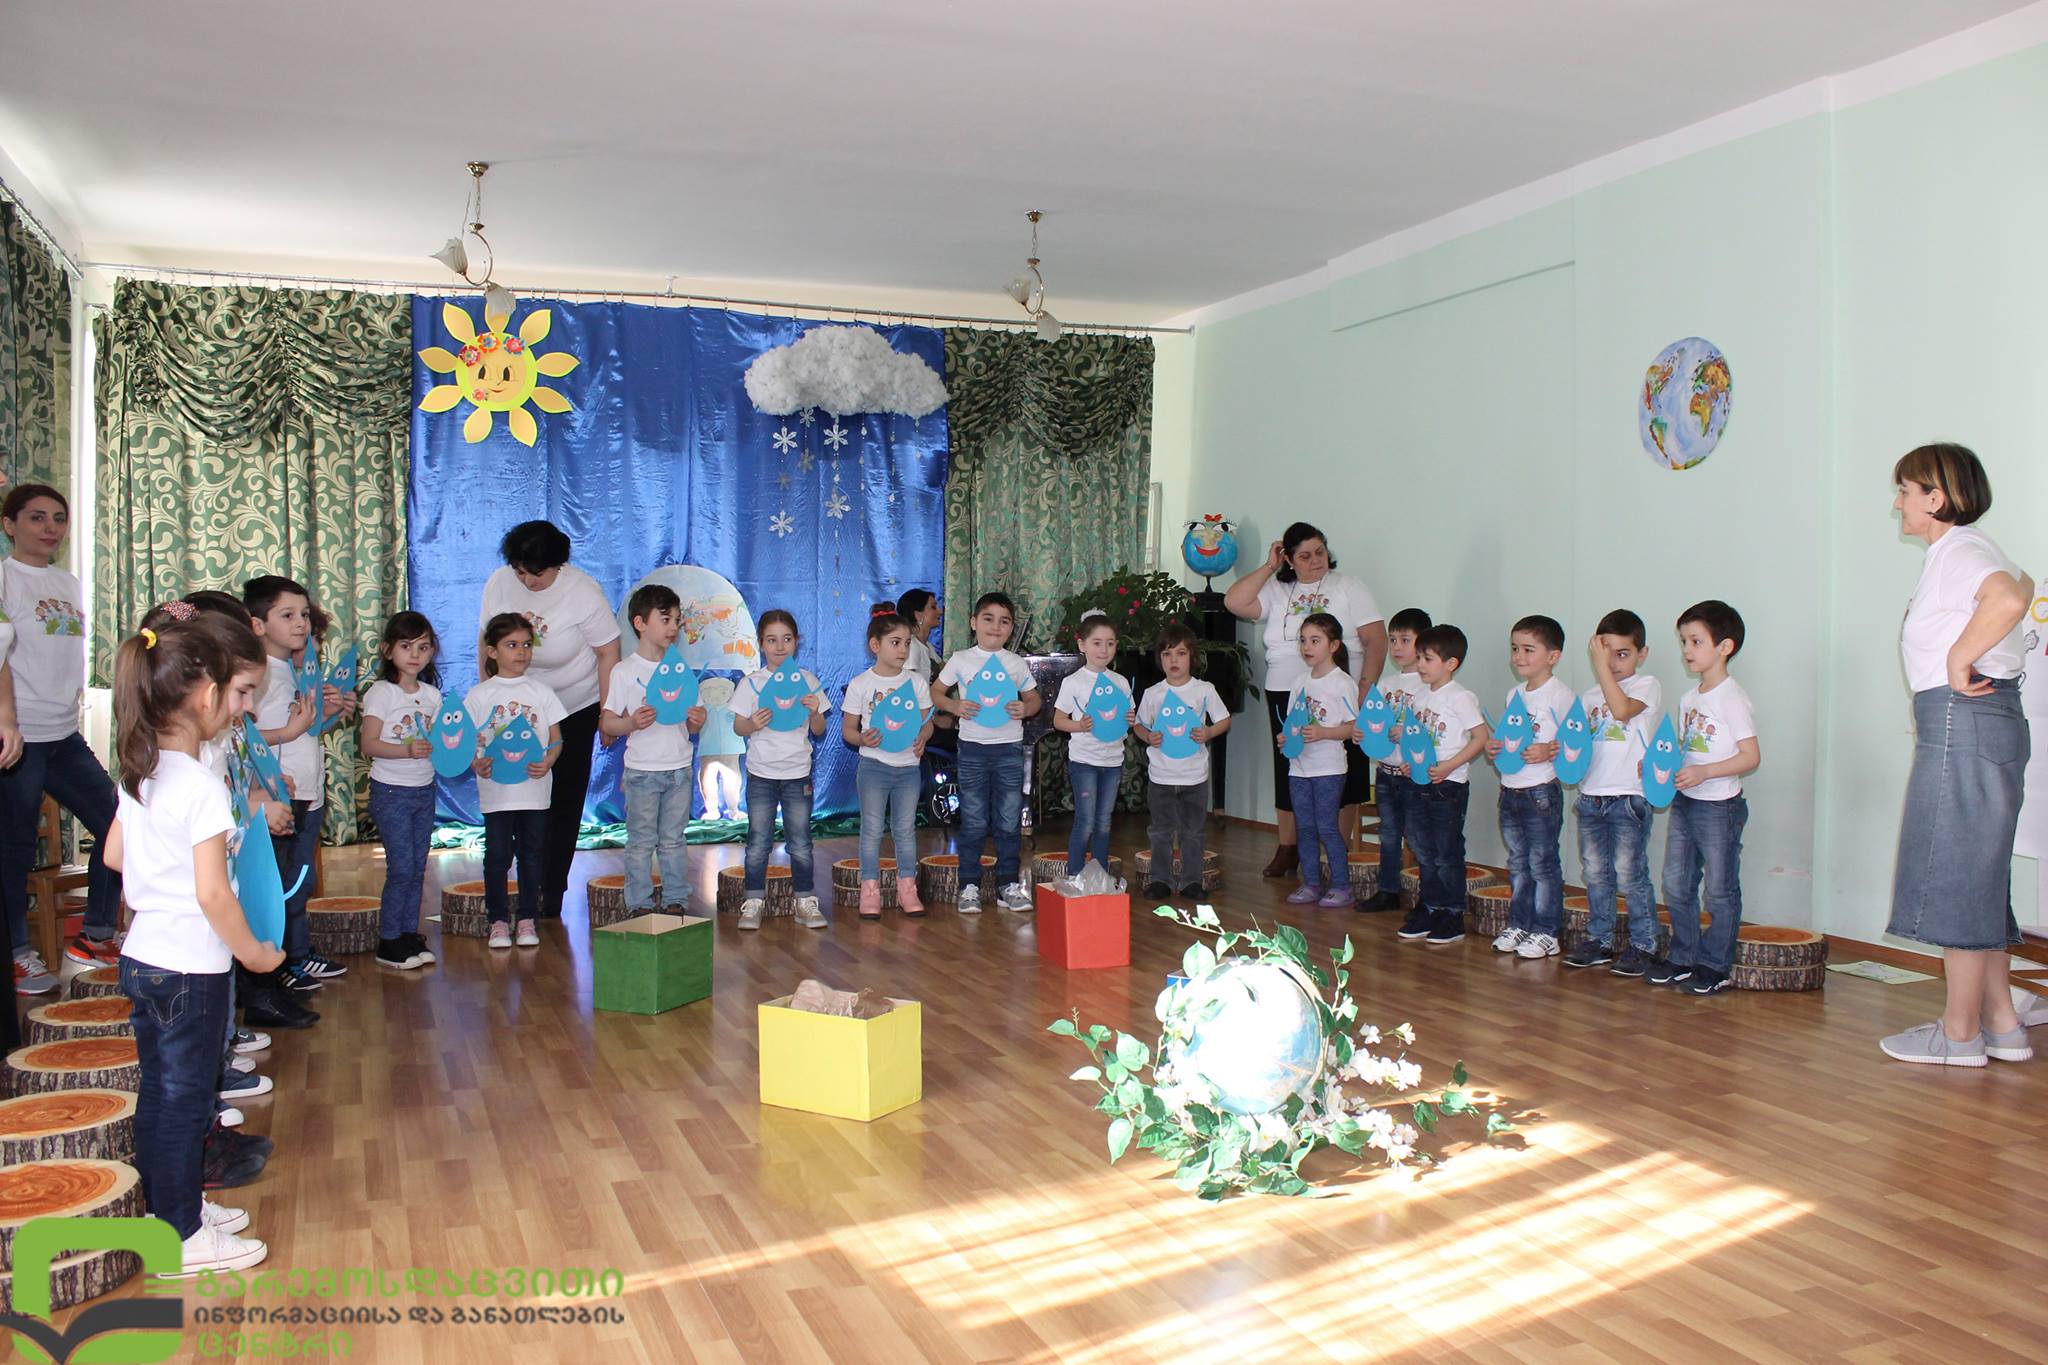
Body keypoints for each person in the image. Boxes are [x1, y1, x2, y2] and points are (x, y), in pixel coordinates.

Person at [106, 614, 284, 1274]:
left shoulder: (141, 771)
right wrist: (255, 954)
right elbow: (214, 894)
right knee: (184, 1103)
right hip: (192, 969)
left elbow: (115, 855)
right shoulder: (200, 786)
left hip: (143, 957)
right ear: (207, 696)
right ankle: (179, 1236)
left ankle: (169, 1211)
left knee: (160, 1094)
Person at [1879, 444, 2032, 1065]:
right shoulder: (1972, 549)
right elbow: (2022, 584)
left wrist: (1957, 658)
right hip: (1983, 720)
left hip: (1962, 718)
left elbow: (2011, 600)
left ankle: (1960, 1033)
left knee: (1956, 873)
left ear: (1935, 498)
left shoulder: (1960, 551)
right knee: (1979, 874)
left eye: (1905, 491)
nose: (1898, 504)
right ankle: (2001, 1022)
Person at [0, 484, 119, 992]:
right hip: (19, 737)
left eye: (58, 518)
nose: (50, 527)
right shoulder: (5, 578)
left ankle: (96, 934)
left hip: (64, 734)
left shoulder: (67, 582)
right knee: (14, 846)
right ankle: (15, 953)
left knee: (118, 822)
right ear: (9, 525)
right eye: (36, 517)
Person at [1223, 522, 1387, 878]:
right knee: (1290, 763)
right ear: (1289, 559)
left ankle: (1335, 850)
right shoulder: (1277, 588)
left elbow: (1376, 639)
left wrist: (1366, 686)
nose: (1316, 561)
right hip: (1287, 689)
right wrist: (1269, 566)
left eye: (1320, 552)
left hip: (1341, 690)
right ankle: (1289, 847)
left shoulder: (1349, 586)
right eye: (1305, 556)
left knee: (1346, 769)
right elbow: (1233, 601)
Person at [478, 521, 621, 922]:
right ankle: (518, 886)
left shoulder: (582, 591)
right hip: (514, 708)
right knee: (516, 795)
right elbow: (486, 644)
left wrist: (607, 713)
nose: (527, 580)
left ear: (557, 564)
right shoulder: (499, 583)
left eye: (535, 573)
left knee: (564, 800)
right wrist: (488, 701)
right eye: (520, 571)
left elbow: (608, 653)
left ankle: (551, 889)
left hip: (574, 706)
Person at [1648, 601, 1760, 995]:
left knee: (1719, 889)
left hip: (1720, 806)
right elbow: (1689, 750)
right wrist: (1661, 767)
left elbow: (1750, 756)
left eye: (1696, 641)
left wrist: (1705, 773)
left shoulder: (1732, 698)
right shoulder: (1689, 698)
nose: (1687, 650)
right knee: (1676, 883)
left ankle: (1715, 965)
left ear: (1725, 647)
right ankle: (1683, 956)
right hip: (1686, 801)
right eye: (1684, 641)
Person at [244, 575, 349, 992]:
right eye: (287, 615)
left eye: (304, 614)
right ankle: (279, 963)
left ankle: (298, 954)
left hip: (308, 791)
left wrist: (330, 714)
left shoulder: (294, 670)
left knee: (300, 880)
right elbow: (243, 736)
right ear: (257, 624)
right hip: (278, 796)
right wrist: (289, 732)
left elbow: (305, 730)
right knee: (280, 884)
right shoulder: (259, 675)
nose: (301, 623)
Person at [1564, 610, 1663, 976]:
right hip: (1591, 796)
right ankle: (1600, 940)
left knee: (1630, 874)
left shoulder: (1646, 685)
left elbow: (1621, 710)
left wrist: (1600, 667)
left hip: (1628, 797)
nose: (1613, 662)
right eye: (1606, 654)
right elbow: (1579, 745)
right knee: (1595, 874)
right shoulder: (1589, 696)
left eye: (1622, 654)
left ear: (1642, 654)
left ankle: (1644, 943)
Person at [599, 585, 706, 918]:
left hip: (679, 769)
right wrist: (631, 722)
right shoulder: (624, 671)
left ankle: (676, 899)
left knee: (673, 839)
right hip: (642, 772)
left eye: (677, 620)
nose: (673, 627)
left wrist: (697, 720)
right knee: (641, 841)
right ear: (640, 623)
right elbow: (607, 723)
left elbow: (693, 726)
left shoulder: (681, 670)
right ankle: (639, 903)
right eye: (665, 619)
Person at [932, 592, 1042, 913]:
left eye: (1004, 621)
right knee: (974, 820)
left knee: (1008, 821)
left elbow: (1034, 699)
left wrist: (1026, 708)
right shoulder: (961, 659)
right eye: (988, 619)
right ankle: (969, 885)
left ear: (1011, 629)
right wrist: (953, 705)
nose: (995, 626)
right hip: (972, 750)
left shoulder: (1015, 663)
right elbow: (936, 691)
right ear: (973, 623)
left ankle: (1008, 884)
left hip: (1009, 750)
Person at [465, 614, 566, 949]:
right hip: (497, 793)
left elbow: (555, 738)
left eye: (526, 644)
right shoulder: (479, 695)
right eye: (511, 645)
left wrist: (548, 760)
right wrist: (476, 762)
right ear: (492, 651)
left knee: (532, 854)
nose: (521, 651)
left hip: (534, 792)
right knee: (497, 856)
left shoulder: (541, 692)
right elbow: (465, 742)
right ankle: (497, 920)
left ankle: (526, 919)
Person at [732, 611, 831, 930]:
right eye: (772, 640)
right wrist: (752, 723)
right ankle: (753, 901)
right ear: (761, 644)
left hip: (797, 774)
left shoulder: (808, 681)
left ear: (796, 642)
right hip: (761, 774)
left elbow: (819, 730)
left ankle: (804, 900)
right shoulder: (752, 683)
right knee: (758, 841)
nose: (779, 647)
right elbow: (738, 726)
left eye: (786, 639)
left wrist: (815, 712)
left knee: (800, 842)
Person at [1486, 615, 1576, 960]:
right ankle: (1520, 923)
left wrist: (1549, 749)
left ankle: (1547, 931)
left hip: (1541, 792)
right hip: (1510, 790)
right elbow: (1509, 738)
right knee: (1518, 863)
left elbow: (1575, 744)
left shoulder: (1561, 695)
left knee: (1542, 864)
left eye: (1528, 649)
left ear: (1553, 656)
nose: (1518, 656)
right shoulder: (1514, 693)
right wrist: (1494, 747)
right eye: (1515, 649)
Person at [359, 611, 443, 971]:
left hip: (424, 790)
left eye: (423, 647)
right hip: (391, 792)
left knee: (418, 868)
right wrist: (407, 750)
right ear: (387, 650)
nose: (415, 655)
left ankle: (409, 934)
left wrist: (462, 746)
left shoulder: (432, 695)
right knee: (401, 868)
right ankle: (389, 940)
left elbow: (442, 741)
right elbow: (369, 744)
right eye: (406, 646)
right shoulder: (382, 693)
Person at [1396, 625, 1489, 946]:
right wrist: (1410, 763)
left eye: (1428, 659)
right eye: (1419, 657)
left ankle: (1452, 913)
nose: (1420, 664)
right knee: (1423, 848)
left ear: (1451, 663)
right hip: (1418, 783)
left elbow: (1480, 737)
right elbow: (1417, 742)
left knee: (1446, 852)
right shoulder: (1421, 696)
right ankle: (1431, 906)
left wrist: (1449, 765)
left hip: (1448, 787)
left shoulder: (1460, 697)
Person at [843, 606, 935, 919]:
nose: (903, 649)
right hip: (874, 767)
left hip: (908, 768)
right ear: (875, 645)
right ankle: (870, 890)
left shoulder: (916, 683)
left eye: (907, 643)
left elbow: (927, 723)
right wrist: (862, 739)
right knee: (871, 829)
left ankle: (907, 889)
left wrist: (923, 737)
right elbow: (848, 731)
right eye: (895, 643)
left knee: (905, 829)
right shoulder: (860, 684)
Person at [1133, 623, 1231, 900]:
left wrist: (1209, 732)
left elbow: (1224, 719)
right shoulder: (1153, 693)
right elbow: (1139, 725)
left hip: (1194, 776)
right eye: (1167, 654)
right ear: (1159, 659)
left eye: (1181, 653)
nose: (1173, 660)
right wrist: (1147, 736)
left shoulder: (1204, 690)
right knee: (1160, 832)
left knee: (1193, 832)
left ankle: (1191, 882)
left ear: (1192, 657)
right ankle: (1160, 880)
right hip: (1161, 776)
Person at [1281, 613, 1358, 908]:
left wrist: (1324, 732)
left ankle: (1341, 886)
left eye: (1315, 641)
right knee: (1304, 827)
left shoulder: (1342, 683)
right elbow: (1293, 724)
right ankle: (1311, 883)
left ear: (1334, 645)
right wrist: (1286, 738)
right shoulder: (1299, 682)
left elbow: (1353, 728)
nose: (1307, 647)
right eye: (1303, 641)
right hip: (1299, 769)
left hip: (1329, 768)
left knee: (1327, 827)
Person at [1050, 610, 1133, 876]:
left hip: (1113, 762)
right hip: (1084, 762)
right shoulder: (1073, 682)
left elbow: (1126, 717)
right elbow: (1058, 720)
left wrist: (1130, 719)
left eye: (1110, 643)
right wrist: (1079, 726)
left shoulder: (1121, 682)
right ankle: (1075, 876)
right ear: (1082, 645)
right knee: (1085, 821)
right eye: (1097, 643)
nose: (1104, 649)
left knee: (1104, 822)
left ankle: (1099, 875)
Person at [1362, 608, 1430, 914]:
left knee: (1417, 836)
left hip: (1413, 774)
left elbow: (1433, 732)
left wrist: (1409, 732)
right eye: (1392, 640)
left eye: (1405, 640)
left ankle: (1427, 896)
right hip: (1386, 772)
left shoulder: (1428, 684)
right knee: (1389, 834)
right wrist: (1362, 733)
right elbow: (1373, 723)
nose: (1397, 647)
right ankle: (1388, 890)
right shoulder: (1386, 684)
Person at [896, 588, 942, 679]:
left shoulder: (927, 646)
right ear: (918, 615)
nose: (940, 612)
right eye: (933, 607)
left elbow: (947, 671)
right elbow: (906, 684)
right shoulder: (912, 646)